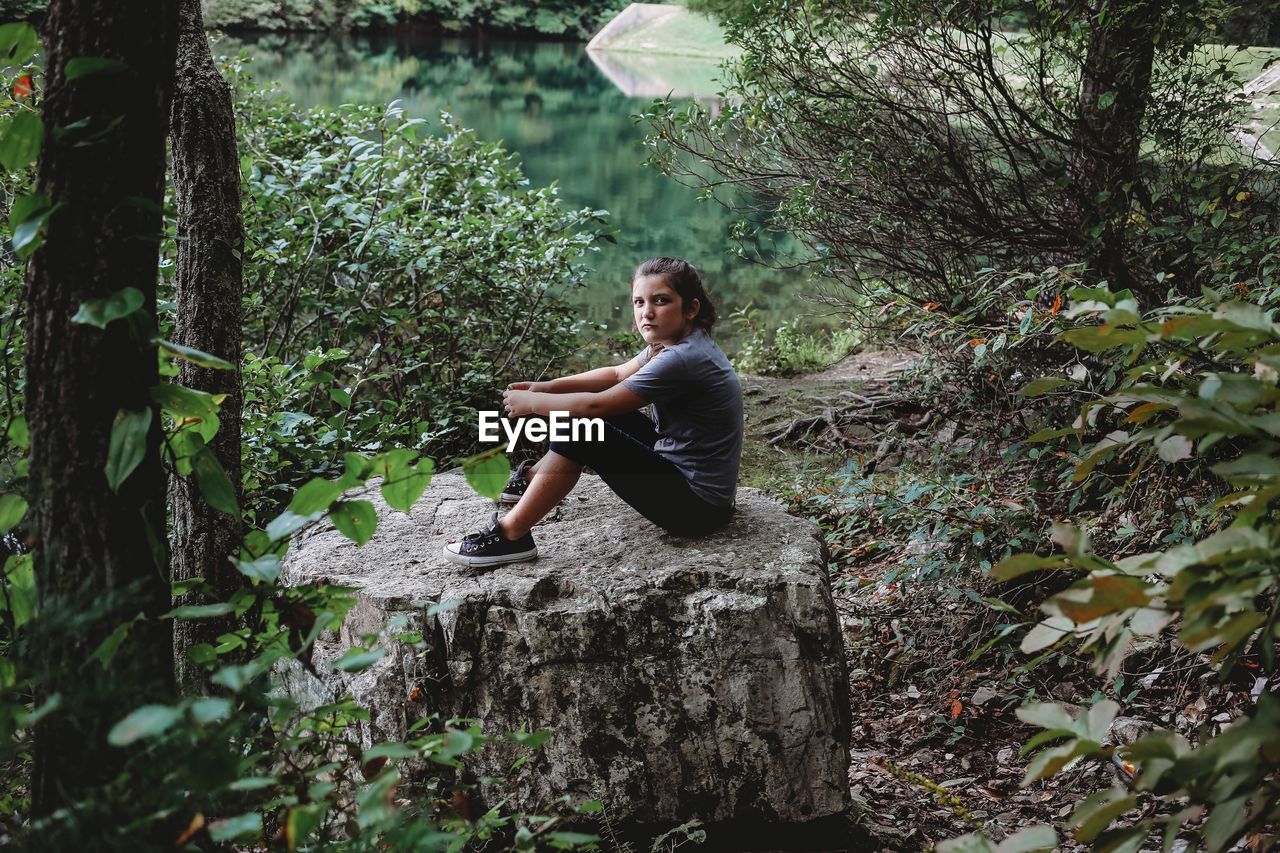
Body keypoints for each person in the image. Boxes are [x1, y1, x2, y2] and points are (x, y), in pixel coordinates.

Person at [443, 257, 744, 567]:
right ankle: (531, 480)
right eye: (638, 302)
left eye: (661, 301)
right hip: (695, 486)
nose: (646, 312)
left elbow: (595, 406)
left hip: (697, 509)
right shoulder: (677, 340)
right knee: (598, 421)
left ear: (691, 308)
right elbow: (615, 374)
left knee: (581, 427)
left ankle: (511, 535)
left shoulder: (682, 357)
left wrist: (532, 405)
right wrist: (548, 387)